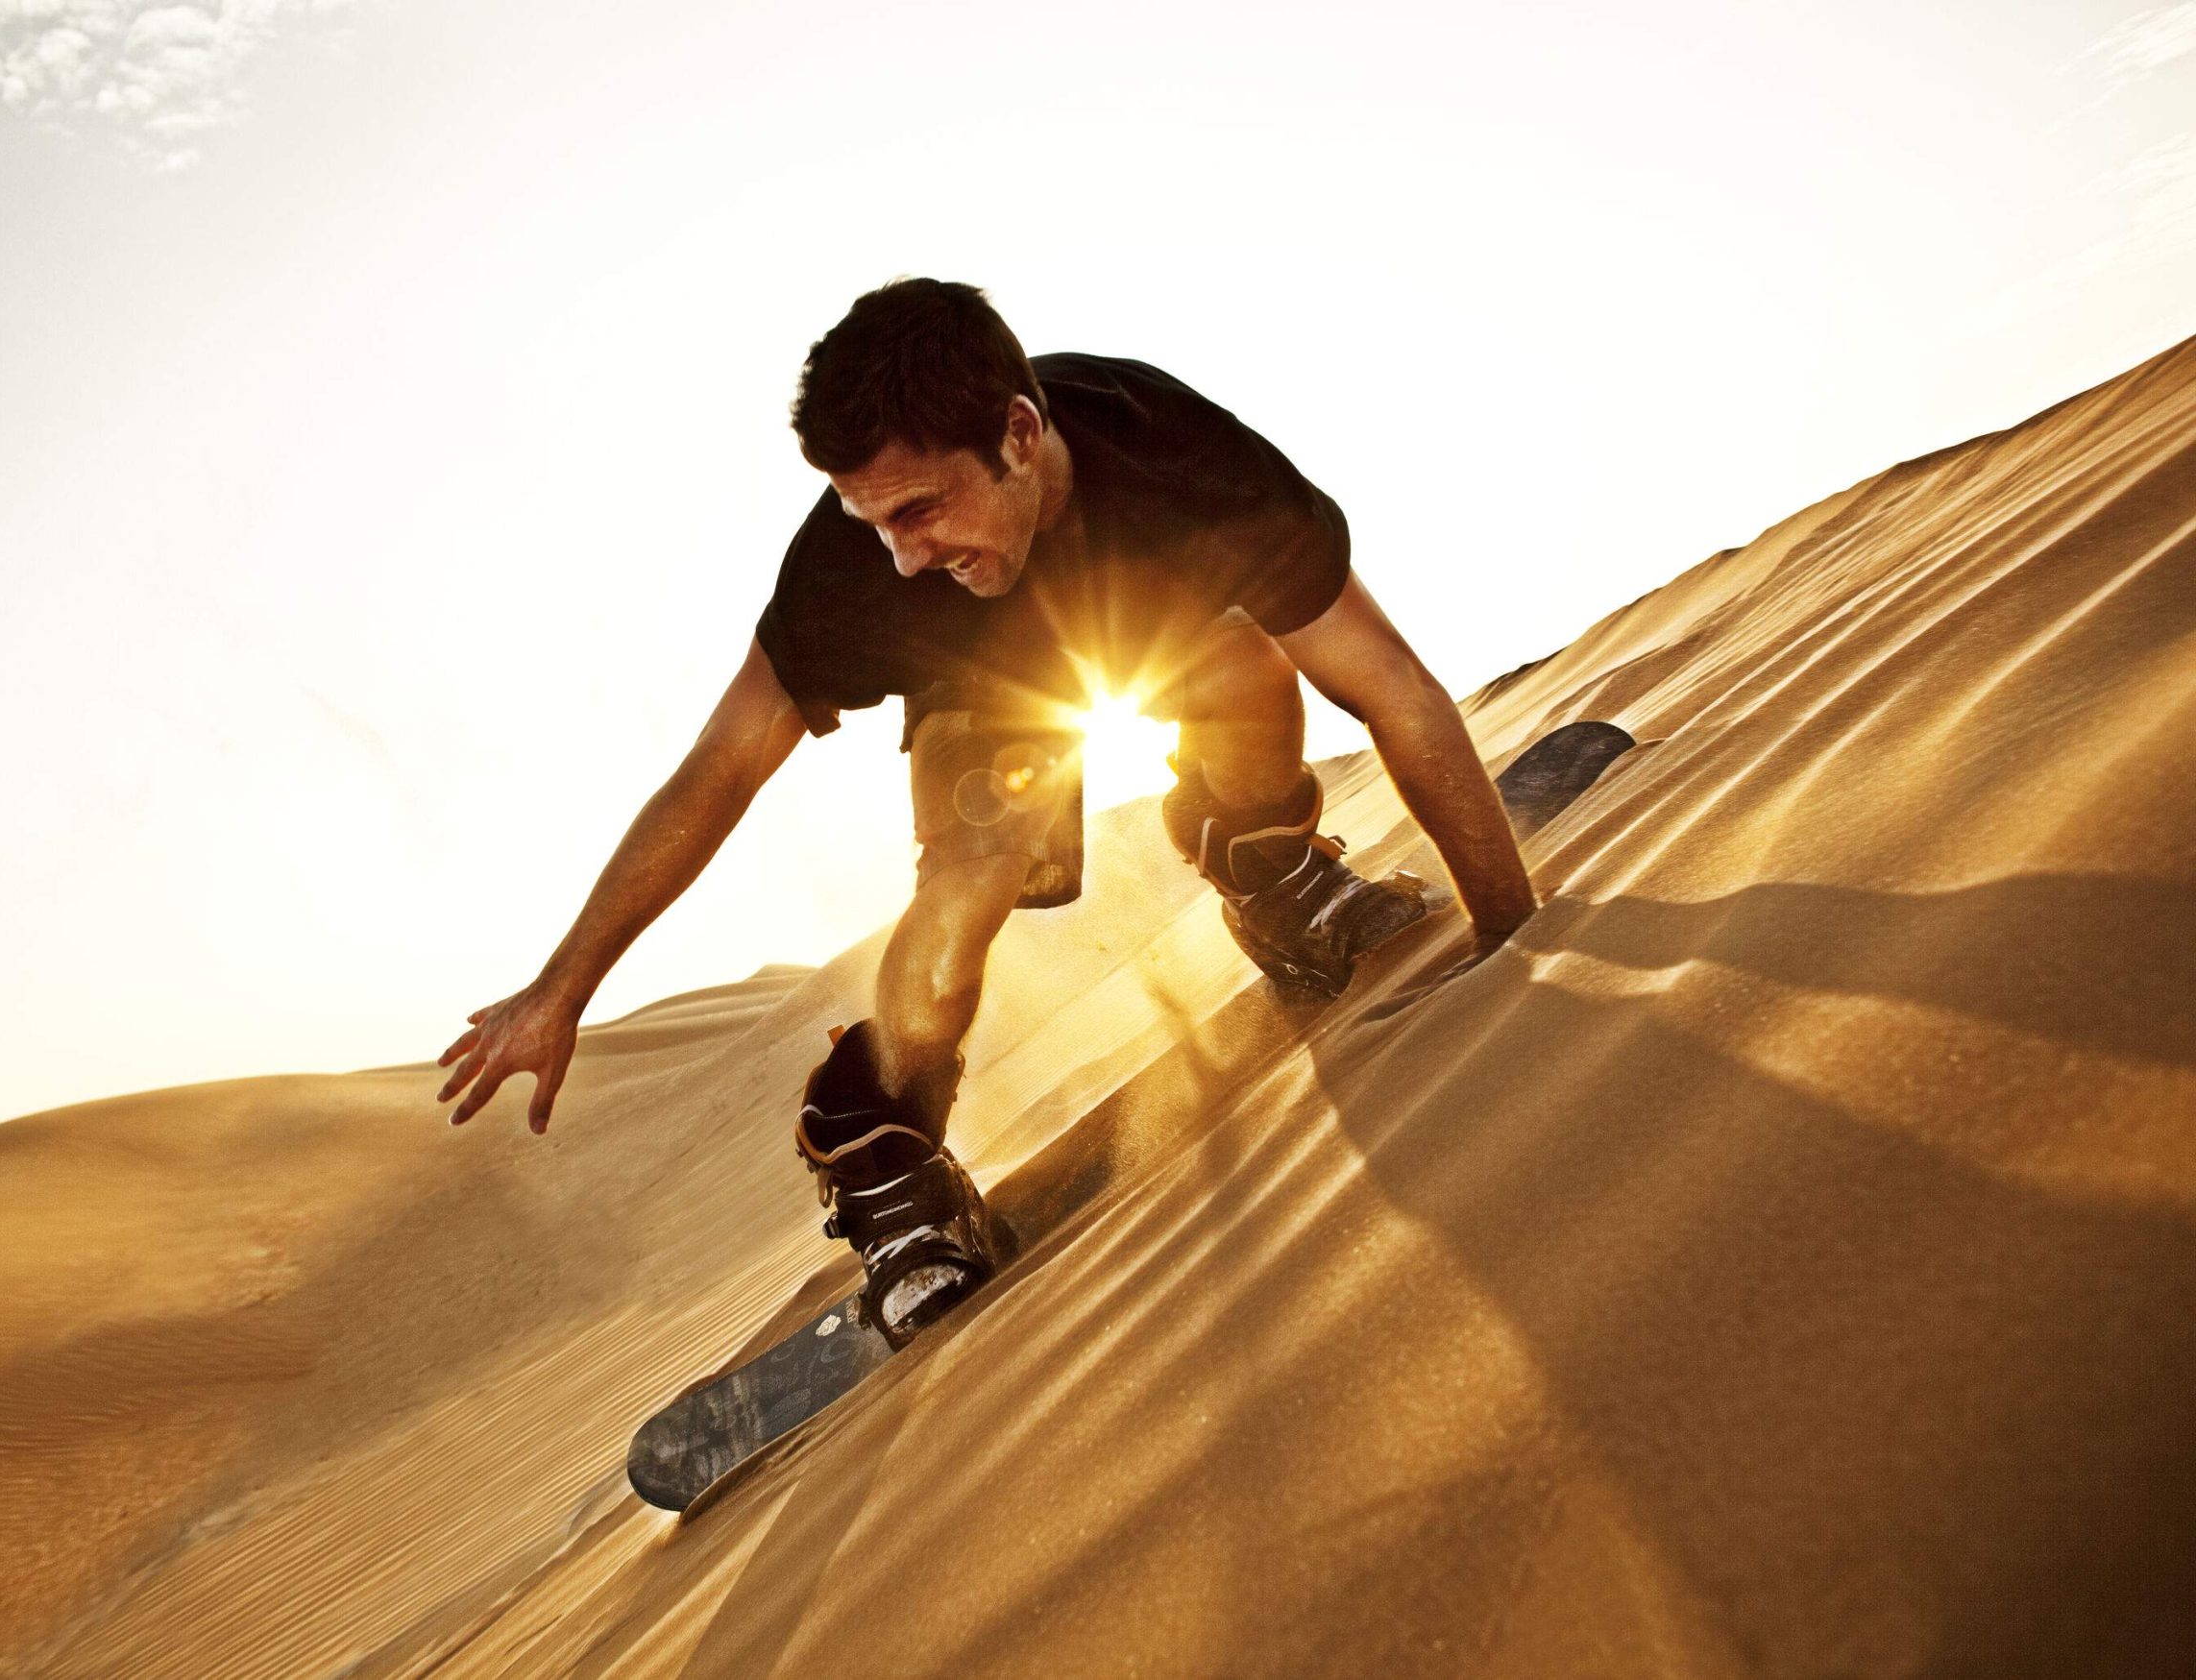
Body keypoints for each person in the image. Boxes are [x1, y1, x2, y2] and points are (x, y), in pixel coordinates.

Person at [436, 279, 1536, 1346]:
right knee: (972, 869)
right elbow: (715, 773)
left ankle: (1265, 871)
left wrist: (1515, 936)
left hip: (1144, 640)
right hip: (986, 703)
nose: (903, 554)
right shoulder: (850, 573)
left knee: (1253, 668)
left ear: (1018, 433)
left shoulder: (1180, 456)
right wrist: (561, 985)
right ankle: (881, 1149)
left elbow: (1384, 680)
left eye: (918, 510)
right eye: (872, 522)